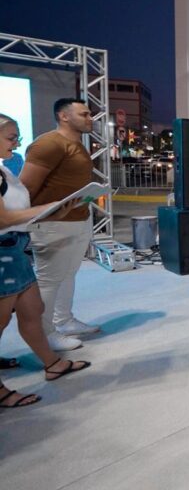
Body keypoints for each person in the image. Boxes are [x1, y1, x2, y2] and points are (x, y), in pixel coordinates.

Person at [0, 114, 90, 408]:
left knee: (33, 310)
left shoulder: (3, 169)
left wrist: (57, 211)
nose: (16, 143)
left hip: (17, 249)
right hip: (4, 253)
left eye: (17, 137)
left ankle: (51, 363)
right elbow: (3, 218)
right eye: (11, 137)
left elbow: (18, 212)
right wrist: (50, 206)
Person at [19, 98, 99, 352]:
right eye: (84, 114)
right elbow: (27, 187)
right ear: (64, 116)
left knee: (68, 274)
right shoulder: (48, 143)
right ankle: (46, 333)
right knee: (50, 280)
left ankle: (64, 320)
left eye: (90, 114)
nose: (90, 118)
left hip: (77, 219)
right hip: (53, 223)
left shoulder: (76, 144)